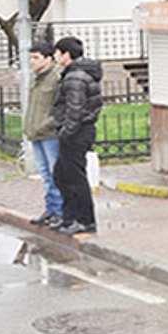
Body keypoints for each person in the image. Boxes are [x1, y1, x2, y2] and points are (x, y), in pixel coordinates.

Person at [51, 36, 103, 235]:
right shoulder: (75, 74)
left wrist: (66, 132)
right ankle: (69, 217)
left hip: (77, 132)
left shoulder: (75, 77)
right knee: (62, 175)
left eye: (57, 53)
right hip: (76, 130)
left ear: (66, 54)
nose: (55, 57)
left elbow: (75, 108)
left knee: (75, 177)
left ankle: (85, 220)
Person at [26, 42, 64, 227]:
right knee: (45, 174)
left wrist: (47, 124)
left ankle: (59, 212)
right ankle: (51, 210)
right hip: (36, 133)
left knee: (55, 173)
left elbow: (60, 108)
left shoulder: (56, 77)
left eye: (36, 57)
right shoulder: (36, 78)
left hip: (50, 133)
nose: (32, 61)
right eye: (31, 57)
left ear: (48, 59)